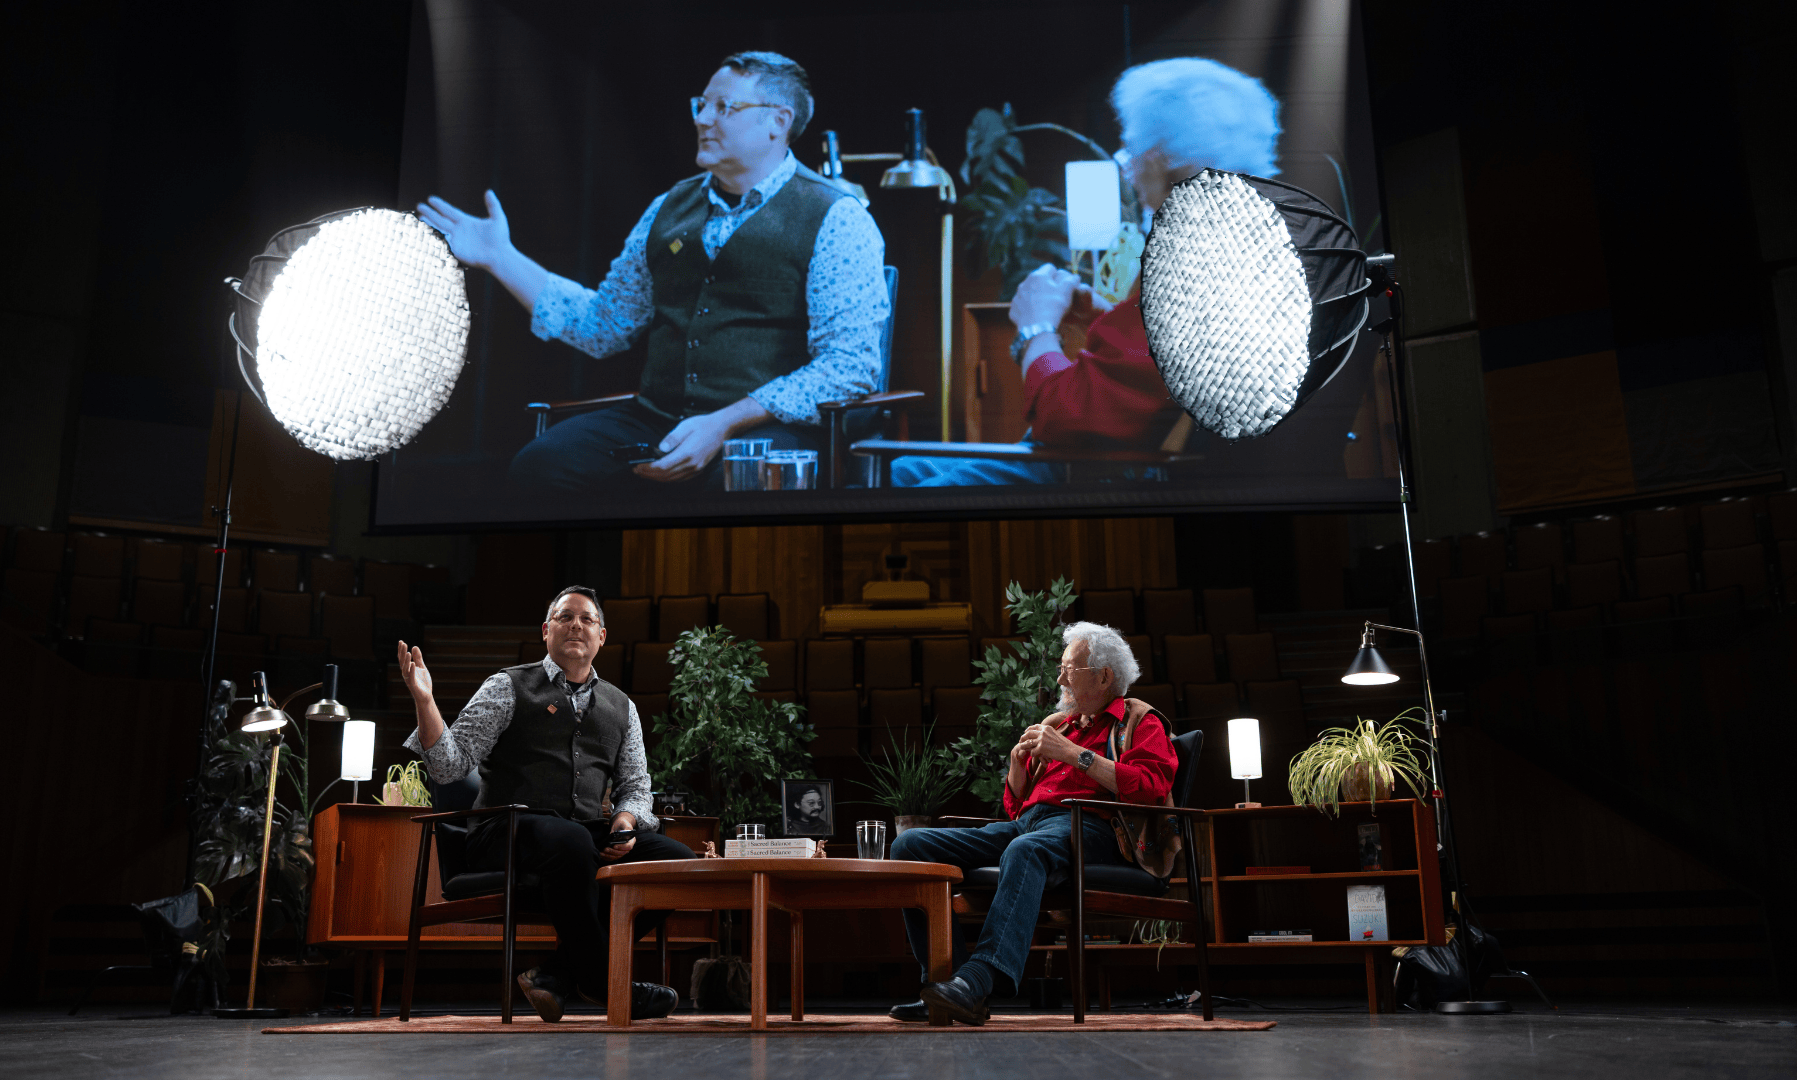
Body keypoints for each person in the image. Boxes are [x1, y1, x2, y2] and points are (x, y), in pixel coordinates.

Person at [416, 51, 889, 495]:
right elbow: (603, 325)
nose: (703, 120)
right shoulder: (668, 209)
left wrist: (723, 422)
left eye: (724, 107)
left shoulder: (836, 217)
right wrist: (502, 257)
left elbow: (849, 367)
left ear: (776, 122)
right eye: (701, 105)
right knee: (540, 468)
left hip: (770, 428)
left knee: (731, 486)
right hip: (657, 419)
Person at [891, 57, 1281, 487]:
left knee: (900, 485)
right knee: (904, 470)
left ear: (1167, 157)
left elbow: (1069, 419)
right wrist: (1101, 315)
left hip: (1113, 475)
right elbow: (1149, 370)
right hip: (1123, 458)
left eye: (1134, 147)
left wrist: (1034, 329)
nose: (1127, 164)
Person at [395, 586, 694, 1021]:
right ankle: (602, 982)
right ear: (546, 630)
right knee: (571, 841)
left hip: (582, 836)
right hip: (505, 829)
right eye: (565, 616)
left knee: (675, 865)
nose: (576, 625)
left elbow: (636, 786)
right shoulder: (507, 686)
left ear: (602, 636)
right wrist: (426, 701)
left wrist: (626, 821)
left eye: (587, 619)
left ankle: (558, 974)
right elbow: (449, 767)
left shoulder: (622, 707)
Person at [885, 621, 1178, 1025]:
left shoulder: (1138, 722)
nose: (1060, 678)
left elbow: (1151, 787)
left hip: (1091, 827)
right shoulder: (1060, 725)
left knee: (1026, 849)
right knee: (909, 847)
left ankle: (976, 980)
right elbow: (1015, 808)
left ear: (1104, 676)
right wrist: (1016, 767)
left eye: (1068, 670)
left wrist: (1076, 755)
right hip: (1033, 826)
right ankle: (945, 985)